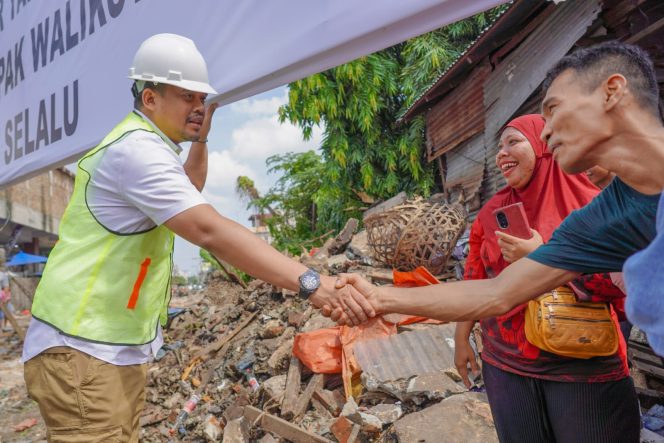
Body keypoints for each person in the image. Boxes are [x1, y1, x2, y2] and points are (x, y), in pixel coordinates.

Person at [22, 33, 374, 442]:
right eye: (187, 97)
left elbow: (189, 188)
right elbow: (206, 228)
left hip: (104, 348)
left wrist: (200, 140)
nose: (198, 106)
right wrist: (310, 282)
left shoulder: (150, 148)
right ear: (150, 98)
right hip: (82, 348)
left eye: (200, 97)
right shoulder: (137, 152)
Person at [332, 43, 663, 358]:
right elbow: (496, 292)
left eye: (554, 108)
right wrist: (379, 297)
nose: (545, 133)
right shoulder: (601, 221)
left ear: (612, 91)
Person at [454, 114, 637, 442]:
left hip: (581, 360)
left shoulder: (592, 205)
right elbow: (475, 276)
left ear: (542, 147)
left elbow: (624, 283)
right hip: (504, 362)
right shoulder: (491, 212)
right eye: (499, 146)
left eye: (514, 141)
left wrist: (542, 257)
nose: (502, 153)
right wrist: (461, 337)